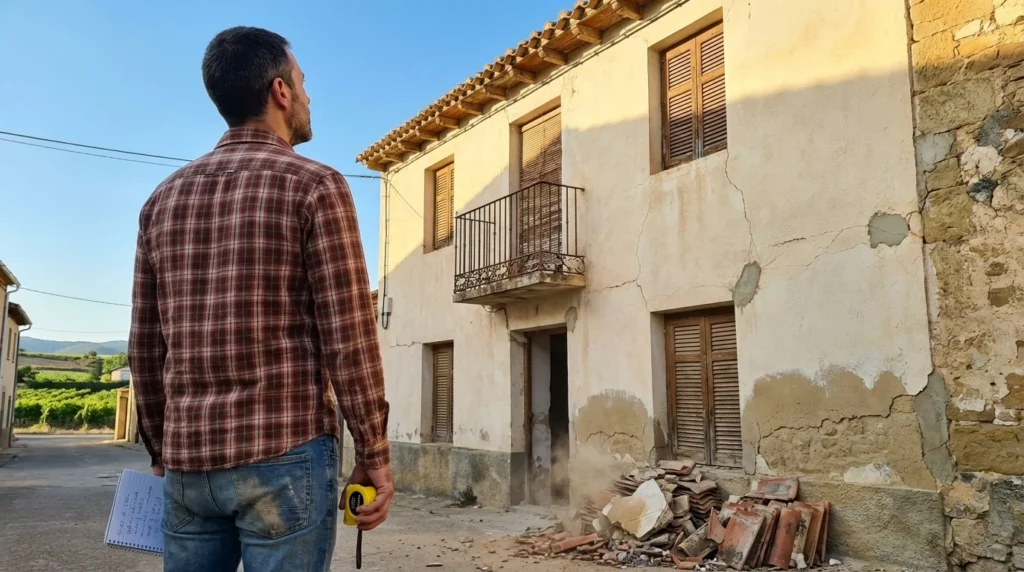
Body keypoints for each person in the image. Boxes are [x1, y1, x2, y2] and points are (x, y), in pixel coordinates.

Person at [128, 26, 393, 572]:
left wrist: (160, 448)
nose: (308, 95)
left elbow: (146, 345)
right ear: (280, 91)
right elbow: (349, 336)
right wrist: (374, 452)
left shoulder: (162, 200)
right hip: (284, 451)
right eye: (302, 81)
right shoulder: (316, 185)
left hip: (188, 464)